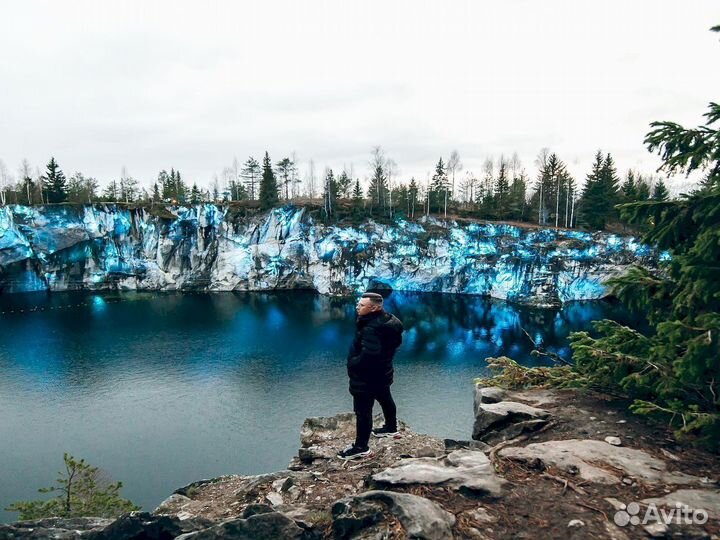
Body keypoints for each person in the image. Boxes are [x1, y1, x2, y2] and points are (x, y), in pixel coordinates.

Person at [338, 292, 404, 460]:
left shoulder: (371, 328)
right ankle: (391, 427)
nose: (357, 307)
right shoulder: (391, 321)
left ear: (375, 307)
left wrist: (353, 363)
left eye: (362, 305)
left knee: (363, 411)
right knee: (385, 397)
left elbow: (370, 355)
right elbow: (390, 347)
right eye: (358, 304)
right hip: (383, 371)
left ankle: (361, 447)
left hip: (367, 377)